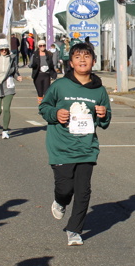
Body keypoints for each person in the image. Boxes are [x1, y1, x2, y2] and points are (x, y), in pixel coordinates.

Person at [39, 42, 111, 246]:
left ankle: (74, 230)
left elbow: (105, 120)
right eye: (77, 57)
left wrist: (104, 114)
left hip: (86, 147)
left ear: (93, 61)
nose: (82, 60)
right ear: (71, 63)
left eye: (86, 56)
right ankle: (60, 201)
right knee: (65, 188)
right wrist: (55, 113)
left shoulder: (99, 90)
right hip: (61, 147)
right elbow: (44, 108)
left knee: (83, 191)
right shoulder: (60, 86)